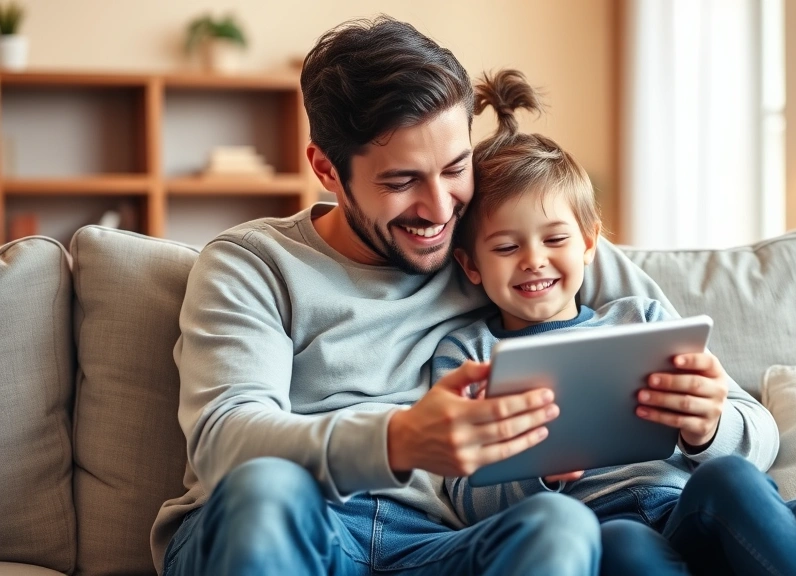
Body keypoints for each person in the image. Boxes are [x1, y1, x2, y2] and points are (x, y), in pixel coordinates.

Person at [149, 15, 699, 576]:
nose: (439, 210)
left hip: (433, 543)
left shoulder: (503, 242)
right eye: (401, 181)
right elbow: (224, 441)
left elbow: (700, 378)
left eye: (455, 168)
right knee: (267, 486)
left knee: (562, 526)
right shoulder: (254, 263)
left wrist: (709, 419)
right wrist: (398, 440)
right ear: (327, 170)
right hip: (289, 525)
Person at [432, 69, 796, 576]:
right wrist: (542, 477)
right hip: (615, 535)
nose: (533, 259)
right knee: (625, 544)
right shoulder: (468, 355)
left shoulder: (642, 320)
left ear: (588, 245)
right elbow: (459, 495)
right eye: (506, 247)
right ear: (470, 264)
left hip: (717, 512)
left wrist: (708, 428)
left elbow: (760, 438)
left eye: (554, 239)